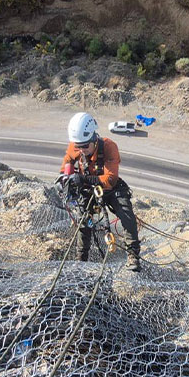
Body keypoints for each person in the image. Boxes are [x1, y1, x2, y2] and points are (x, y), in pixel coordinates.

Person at [59, 112, 141, 272]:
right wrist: (64, 178)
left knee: (127, 216)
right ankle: (81, 261)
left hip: (110, 189)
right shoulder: (76, 145)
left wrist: (83, 179)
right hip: (88, 189)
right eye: (78, 146)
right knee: (83, 222)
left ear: (94, 139)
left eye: (85, 146)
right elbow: (66, 164)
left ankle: (133, 256)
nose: (81, 150)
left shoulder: (109, 147)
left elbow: (110, 179)